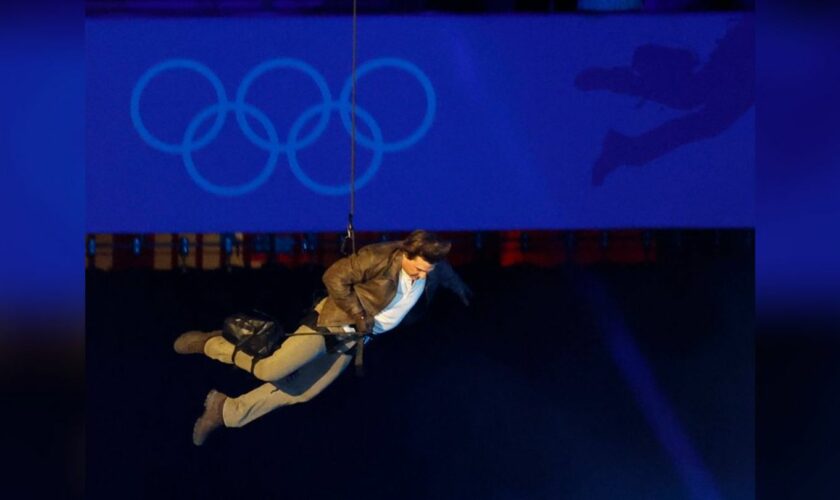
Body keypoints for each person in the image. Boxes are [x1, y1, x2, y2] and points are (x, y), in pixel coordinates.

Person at [173, 230, 470, 446]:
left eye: (427, 270)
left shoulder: (431, 267)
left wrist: (458, 287)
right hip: (332, 324)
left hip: (354, 341)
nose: (422, 275)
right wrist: (358, 314)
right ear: (407, 253)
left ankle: (225, 411)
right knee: (271, 369)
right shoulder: (379, 257)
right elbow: (333, 276)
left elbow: (444, 271)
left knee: (302, 391)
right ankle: (212, 343)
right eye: (418, 268)